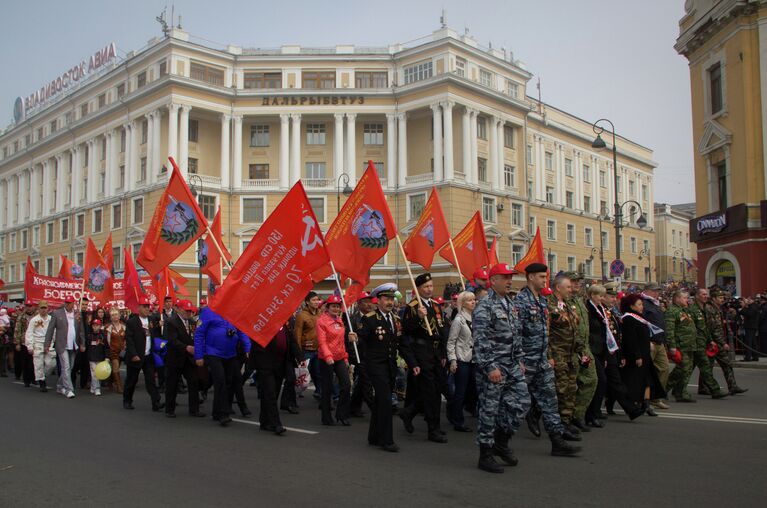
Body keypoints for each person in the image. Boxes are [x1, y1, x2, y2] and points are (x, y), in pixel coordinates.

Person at [514, 263, 581, 457]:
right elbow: (516, 333)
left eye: (546, 276)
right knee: (515, 404)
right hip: (526, 362)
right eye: (541, 276)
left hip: (542, 361)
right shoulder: (521, 301)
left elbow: (547, 332)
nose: (545, 280)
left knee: (550, 402)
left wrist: (548, 356)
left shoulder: (542, 301)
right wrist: (519, 360)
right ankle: (497, 442)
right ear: (531, 278)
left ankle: (557, 441)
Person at [472, 263, 531, 473]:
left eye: (510, 277)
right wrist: (490, 367)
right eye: (505, 277)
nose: (509, 281)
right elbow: (480, 340)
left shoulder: (510, 303)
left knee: (522, 402)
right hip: (494, 368)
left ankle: (501, 441)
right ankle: (485, 454)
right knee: (490, 411)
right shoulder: (484, 305)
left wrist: (520, 359)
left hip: (512, 365)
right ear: (493, 280)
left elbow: (517, 334)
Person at [358, 283, 417, 452]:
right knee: (385, 401)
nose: (390, 302)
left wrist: (413, 364)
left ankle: (374, 436)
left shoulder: (396, 320)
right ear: (378, 300)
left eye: (392, 299)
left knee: (379, 402)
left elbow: (403, 344)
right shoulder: (369, 318)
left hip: (390, 365)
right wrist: (354, 338)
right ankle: (386, 440)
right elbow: (361, 339)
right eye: (386, 299)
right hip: (375, 366)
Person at [400, 273, 448, 443]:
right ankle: (433, 429)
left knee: (437, 388)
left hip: (435, 352)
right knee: (429, 391)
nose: (429, 289)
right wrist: (417, 317)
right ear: (418, 288)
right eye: (426, 287)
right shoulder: (413, 306)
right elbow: (406, 330)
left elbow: (441, 330)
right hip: (421, 351)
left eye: (431, 286)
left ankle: (409, 412)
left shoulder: (435, 305)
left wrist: (442, 353)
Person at [193, 306, 251, 426]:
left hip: (230, 354)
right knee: (220, 382)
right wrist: (199, 355)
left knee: (229, 381)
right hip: (213, 353)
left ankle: (216, 411)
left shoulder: (235, 311)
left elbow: (241, 330)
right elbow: (199, 333)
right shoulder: (208, 312)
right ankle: (223, 414)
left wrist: (247, 347)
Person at [548, 275, 586, 438]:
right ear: (558, 288)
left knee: (571, 388)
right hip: (558, 354)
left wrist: (582, 351)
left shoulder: (568, 305)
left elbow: (574, 329)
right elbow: (547, 333)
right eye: (568, 287)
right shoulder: (550, 305)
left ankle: (566, 421)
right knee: (560, 390)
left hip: (571, 354)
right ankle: (558, 425)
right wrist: (549, 355)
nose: (571, 290)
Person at [250, 323, 299, 435]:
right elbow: (256, 342)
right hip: (265, 364)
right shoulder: (262, 325)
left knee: (272, 393)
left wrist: (299, 356)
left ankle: (264, 421)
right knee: (270, 394)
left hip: (280, 364)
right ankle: (276, 423)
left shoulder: (284, 326)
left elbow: (291, 341)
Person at [316, 295, 354, 426]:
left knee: (346, 385)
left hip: (339, 358)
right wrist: (328, 356)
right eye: (333, 306)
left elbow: (341, 342)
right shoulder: (321, 321)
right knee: (327, 388)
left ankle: (342, 414)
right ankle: (326, 417)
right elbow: (322, 342)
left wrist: (345, 357)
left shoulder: (340, 320)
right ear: (328, 307)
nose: (336, 308)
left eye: (338, 306)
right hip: (326, 359)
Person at [566, 272, 597, 432]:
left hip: (584, 348)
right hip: (570, 349)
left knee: (591, 380)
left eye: (579, 281)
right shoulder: (564, 301)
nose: (577, 284)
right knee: (569, 387)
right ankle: (569, 418)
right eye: (574, 281)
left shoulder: (579, 300)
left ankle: (578, 415)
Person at [123, 297, 164, 412]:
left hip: (148, 356)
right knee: (132, 380)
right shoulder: (132, 322)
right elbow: (129, 340)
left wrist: (159, 326)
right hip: (136, 356)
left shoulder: (151, 320)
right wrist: (134, 354)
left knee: (151, 380)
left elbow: (154, 333)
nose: (147, 309)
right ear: (139, 308)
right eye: (144, 307)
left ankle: (156, 402)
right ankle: (127, 400)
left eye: (148, 307)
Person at [164, 299, 203, 418]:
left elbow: (195, 337)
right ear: (179, 309)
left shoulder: (191, 322)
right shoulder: (171, 322)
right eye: (186, 310)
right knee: (172, 384)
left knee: (193, 382)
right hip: (175, 358)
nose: (189, 313)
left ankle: (194, 409)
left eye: (190, 311)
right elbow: (171, 340)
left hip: (189, 359)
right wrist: (186, 347)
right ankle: (169, 409)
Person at [703, 290, 747, 395]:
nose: (722, 299)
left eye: (722, 297)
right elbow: (712, 328)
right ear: (713, 298)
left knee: (723, 364)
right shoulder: (709, 309)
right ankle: (706, 387)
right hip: (713, 342)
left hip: (717, 341)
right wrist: (722, 343)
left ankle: (732, 386)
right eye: (719, 297)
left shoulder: (719, 308)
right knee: (708, 366)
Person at [687, 288, 728, 399]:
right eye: (703, 294)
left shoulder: (705, 309)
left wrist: (710, 340)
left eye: (706, 294)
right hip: (696, 343)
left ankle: (674, 388)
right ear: (697, 296)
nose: (705, 296)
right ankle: (715, 390)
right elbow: (691, 328)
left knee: (686, 368)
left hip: (704, 341)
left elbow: (705, 328)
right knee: (705, 366)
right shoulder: (692, 309)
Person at [446, 291, 477, 433]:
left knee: (472, 389)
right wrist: (452, 360)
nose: (473, 302)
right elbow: (451, 342)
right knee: (461, 391)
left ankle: (453, 409)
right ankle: (458, 421)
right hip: (462, 359)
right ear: (463, 303)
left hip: (474, 359)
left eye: (474, 300)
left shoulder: (475, 318)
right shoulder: (459, 320)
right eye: (470, 300)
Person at [44, 296, 85, 399]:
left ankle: (59, 385)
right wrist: (46, 344)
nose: (67, 304)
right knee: (66, 366)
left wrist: (82, 343)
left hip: (73, 345)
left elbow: (81, 330)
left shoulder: (77, 314)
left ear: (73, 303)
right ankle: (68, 389)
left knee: (69, 368)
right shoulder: (57, 313)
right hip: (62, 345)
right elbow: (50, 329)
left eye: (70, 302)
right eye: (66, 302)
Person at [665, 290, 698, 402]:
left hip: (689, 345)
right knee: (681, 369)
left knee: (687, 370)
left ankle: (680, 392)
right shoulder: (672, 311)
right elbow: (670, 330)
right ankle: (663, 390)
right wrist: (672, 346)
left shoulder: (684, 310)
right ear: (677, 298)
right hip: (680, 345)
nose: (687, 300)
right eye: (684, 298)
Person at [641, 282, 670, 410]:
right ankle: (643, 398)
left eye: (658, 291)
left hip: (659, 341)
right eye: (654, 291)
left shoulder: (655, 304)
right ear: (646, 290)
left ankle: (655, 397)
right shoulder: (643, 303)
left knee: (664, 369)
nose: (657, 293)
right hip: (650, 342)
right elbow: (641, 323)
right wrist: (646, 340)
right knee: (645, 372)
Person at [349, 292, 376, 417]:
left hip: (370, 355)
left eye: (370, 301)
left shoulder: (374, 317)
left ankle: (353, 407)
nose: (369, 304)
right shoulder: (352, 319)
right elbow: (349, 340)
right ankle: (375, 408)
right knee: (366, 382)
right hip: (358, 356)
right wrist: (353, 357)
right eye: (365, 301)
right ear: (359, 304)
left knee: (361, 383)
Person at [294, 292, 322, 398]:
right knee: (302, 375)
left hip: (318, 349)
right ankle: (293, 396)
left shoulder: (320, 313)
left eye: (317, 300)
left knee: (318, 374)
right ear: (307, 302)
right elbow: (297, 334)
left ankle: (320, 393)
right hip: (306, 351)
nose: (316, 302)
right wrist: (298, 352)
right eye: (313, 300)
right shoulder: (301, 315)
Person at [24, 300, 55, 392]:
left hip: (49, 344)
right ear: (38, 308)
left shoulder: (51, 319)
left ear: (47, 308)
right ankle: (42, 383)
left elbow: (54, 332)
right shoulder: (34, 320)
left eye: (45, 308)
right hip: (37, 343)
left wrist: (55, 342)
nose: (43, 310)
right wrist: (30, 346)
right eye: (41, 308)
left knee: (51, 364)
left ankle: (42, 376)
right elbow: (29, 333)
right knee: (38, 364)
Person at [13, 300, 37, 387]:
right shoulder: (21, 317)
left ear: (33, 306)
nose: (29, 308)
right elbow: (17, 330)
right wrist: (17, 343)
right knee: (26, 362)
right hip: (24, 342)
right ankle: (26, 380)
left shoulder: (37, 316)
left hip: (35, 341)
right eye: (27, 306)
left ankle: (34, 378)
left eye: (30, 306)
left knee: (34, 362)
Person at [105, 308, 125, 393]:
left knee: (116, 367)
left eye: (116, 314)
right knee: (116, 367)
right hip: (113, 351)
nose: (115, 316)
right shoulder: (108, 327)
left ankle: (110, 381)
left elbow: (126, 338)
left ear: (119, 315)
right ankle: (119, 386)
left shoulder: (124, 326)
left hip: (122, 351)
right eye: (112, 315)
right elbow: (108, 341)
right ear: (110, 317)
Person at [86, 319, 108, 396]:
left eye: (97, 325)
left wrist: (106, 357)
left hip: (100, 357)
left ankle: (93, 386)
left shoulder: (103, 336)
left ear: (100, 326)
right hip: (91, 358)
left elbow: (106, 347)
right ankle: (97, 388)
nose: (95, 327)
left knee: (98, 373)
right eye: (94, 325)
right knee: (94, 373)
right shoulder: (89, 335)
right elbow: (87, 347)